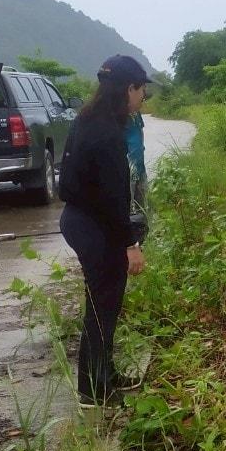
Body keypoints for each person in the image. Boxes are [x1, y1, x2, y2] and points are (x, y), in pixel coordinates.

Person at [58, 55, 150, 407]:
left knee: (102, 306)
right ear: (129, 87)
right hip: (97, 229)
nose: (142, 98)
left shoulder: (87, 118)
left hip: (80, 220)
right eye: (142, 90)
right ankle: (92, 390)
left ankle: (103, 376)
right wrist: (131, 245)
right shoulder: (108, 133)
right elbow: (114, 197)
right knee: (102, 310)